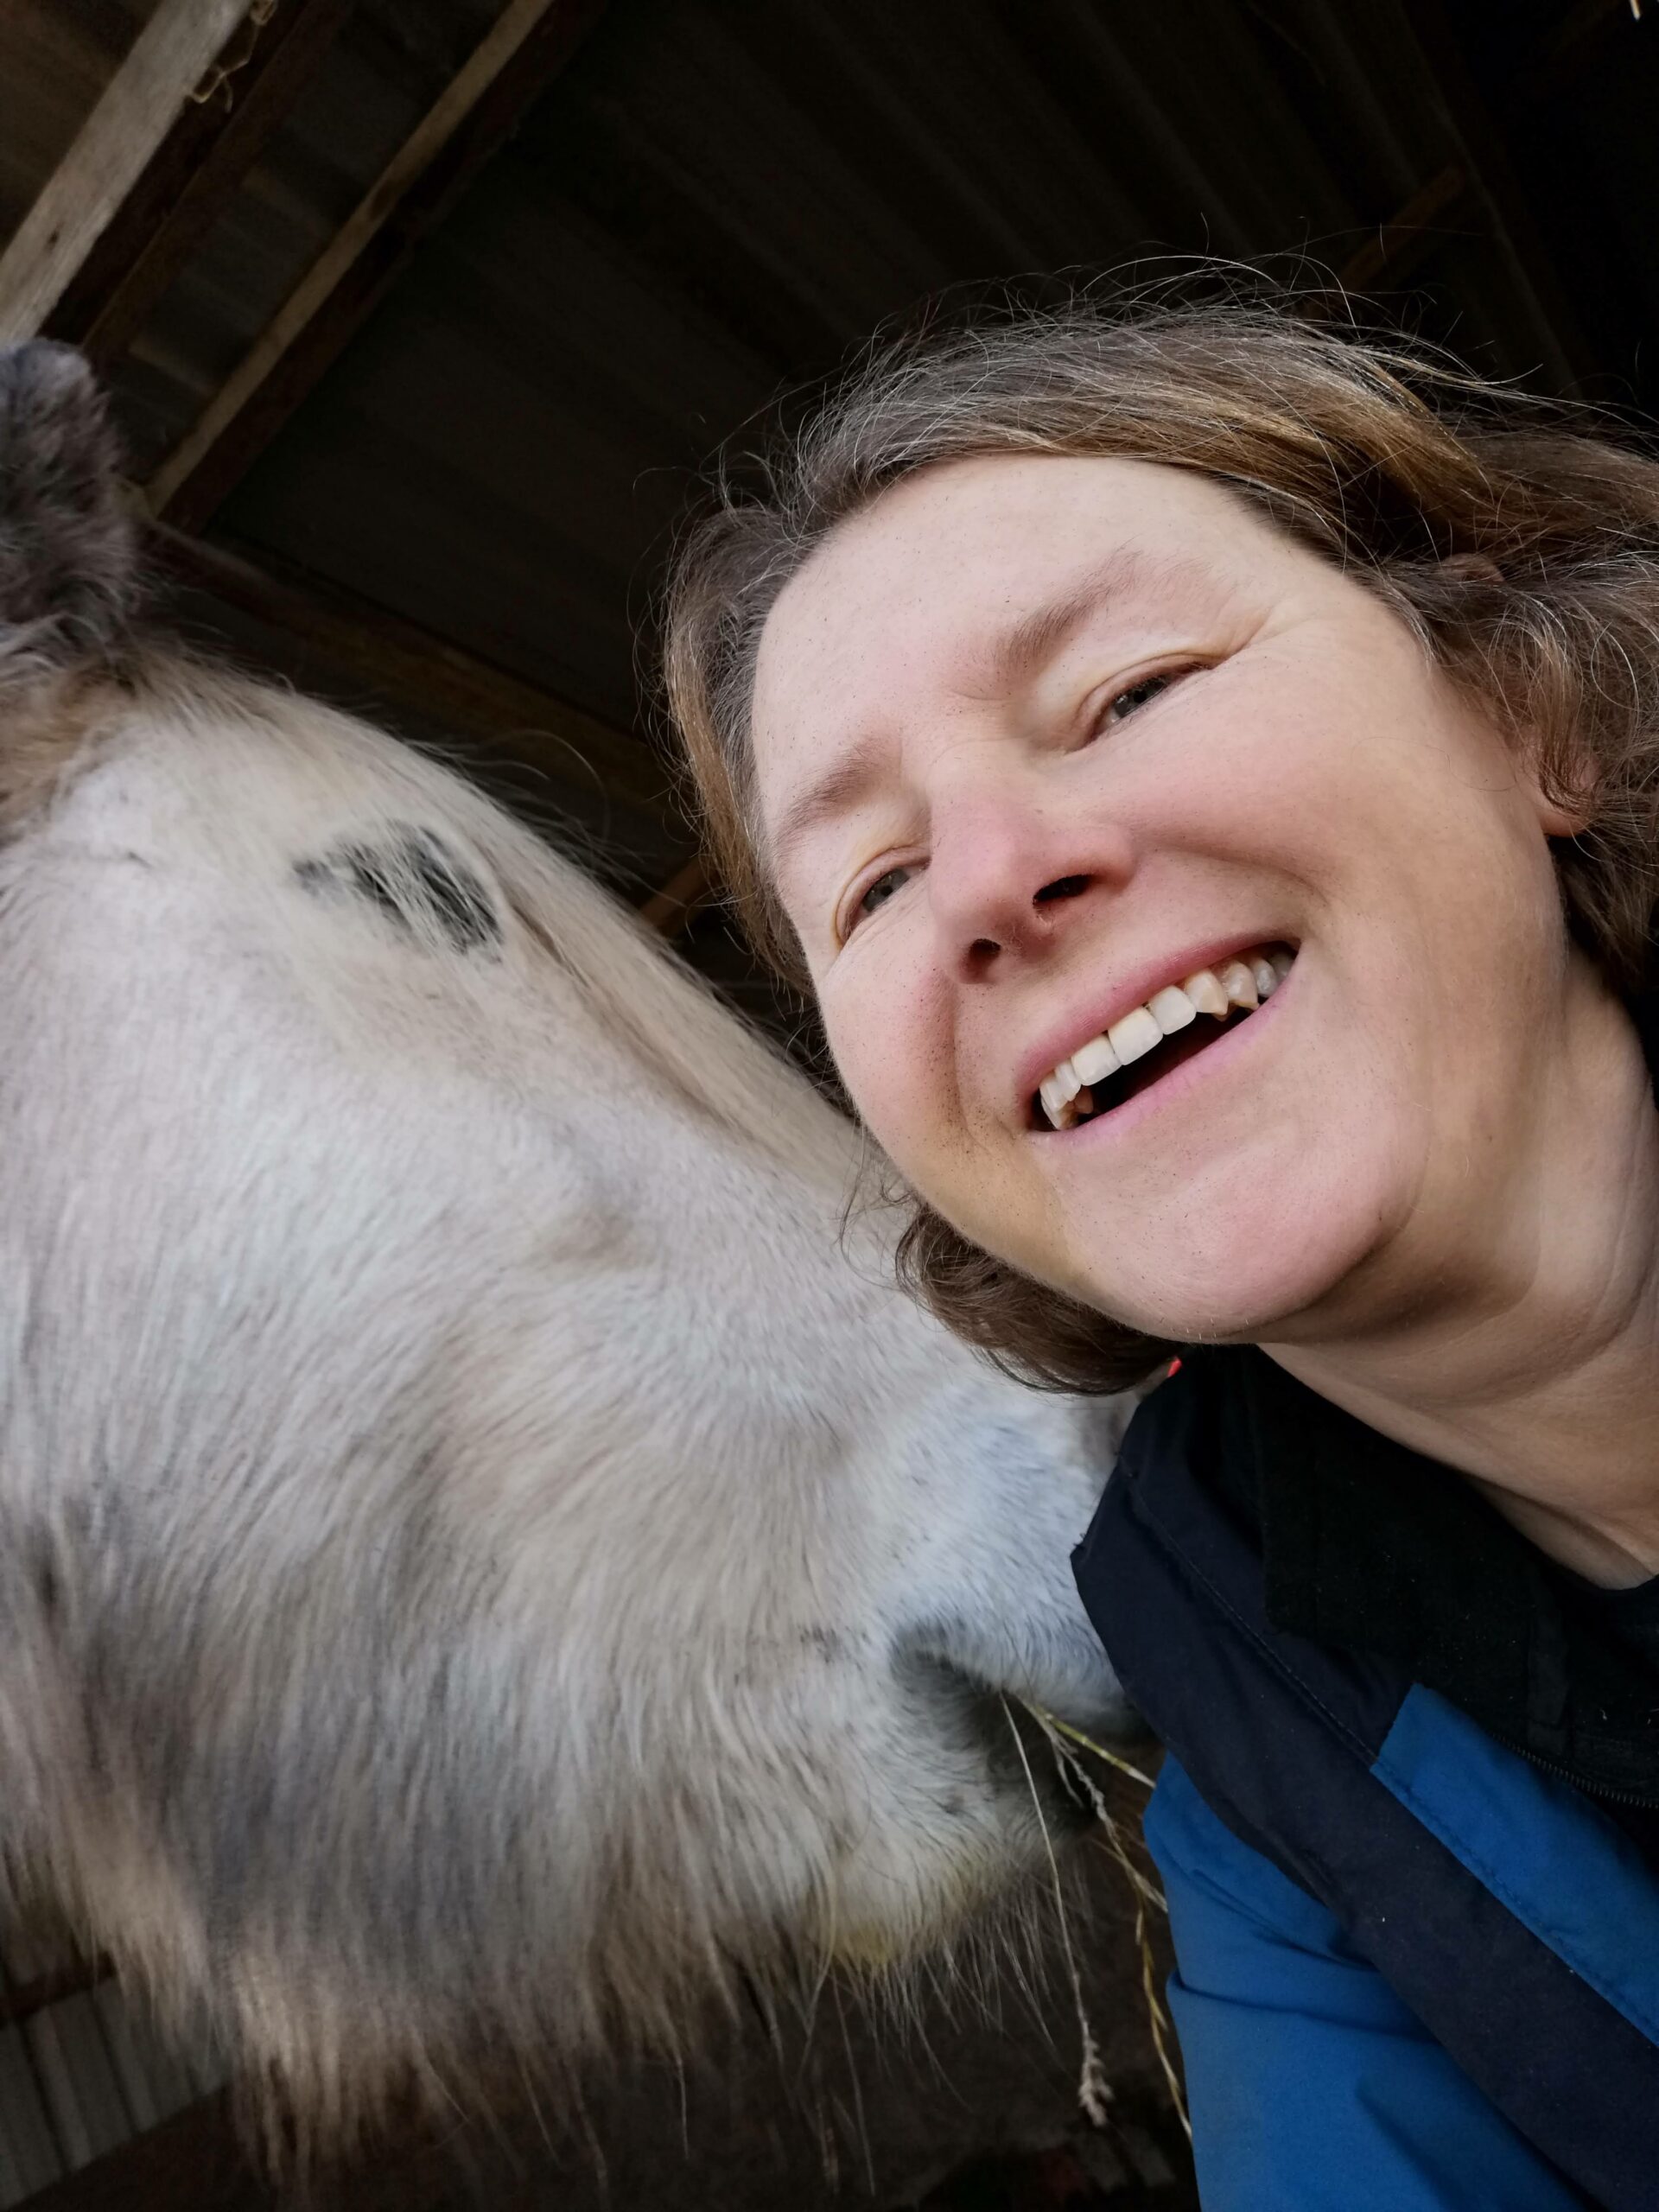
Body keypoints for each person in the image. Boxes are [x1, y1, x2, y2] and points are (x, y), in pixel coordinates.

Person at [662, 295, 1659, 2210]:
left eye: (1125, 690)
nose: (984, 882)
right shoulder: (1269, 1802)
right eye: (868, 880)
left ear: (1532, 706)